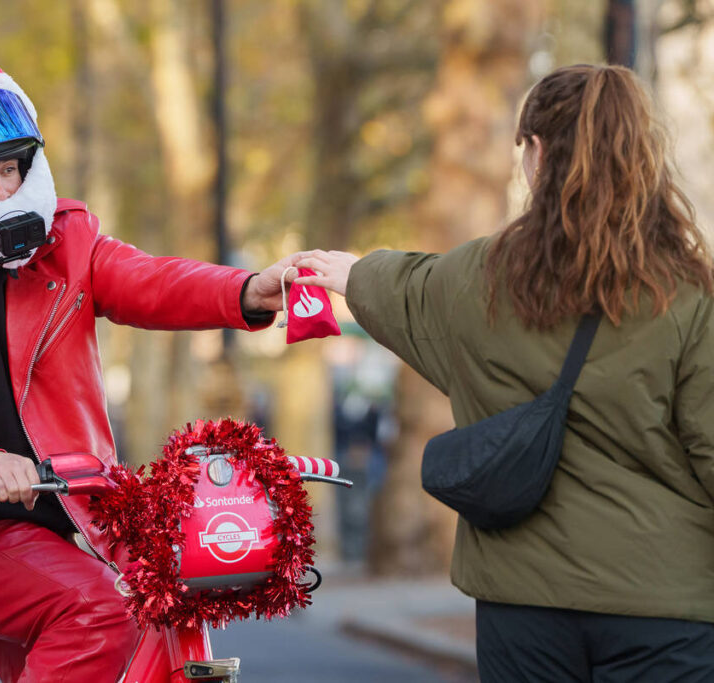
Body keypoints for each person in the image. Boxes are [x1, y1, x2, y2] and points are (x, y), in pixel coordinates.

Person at [0, 59, 290, 683]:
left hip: (82, 510)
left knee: (171, 608)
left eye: (10, 169)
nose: (2, 192)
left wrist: (248, 290)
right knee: (102, 612)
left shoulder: (65, 241)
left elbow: (148, 281)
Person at [292, 64, 714, 681]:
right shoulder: (687, 293)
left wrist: (346, 273)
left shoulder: (478, 280)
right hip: (665, 606)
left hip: (524, 604)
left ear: (537, 153)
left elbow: (403, 291)